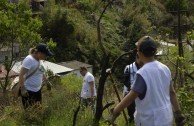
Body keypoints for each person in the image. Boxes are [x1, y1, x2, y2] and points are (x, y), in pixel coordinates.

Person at [109, 36, 185, 126]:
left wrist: (115, 112)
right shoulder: (165, 68)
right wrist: (178, 113)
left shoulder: (143, 73)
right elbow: (172, 92)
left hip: (150, 120)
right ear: (155, 51)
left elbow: (131, 96)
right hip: (166, 118)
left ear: (139, 53)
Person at [19, 43, 53, 109]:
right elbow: (21, 74)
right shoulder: (29, 60)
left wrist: (46, 81)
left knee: (38, 109)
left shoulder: (40, 60)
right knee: (29, 111)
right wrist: (22, 88)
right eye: (45, 54)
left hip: (37, 90)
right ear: (39, 53)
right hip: (28, 91)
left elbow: (41, 72)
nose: (46, 56)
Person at [123, 54, 142, 122]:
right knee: (130, 107)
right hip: (130, 90)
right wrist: (130, 87)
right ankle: (131, 118)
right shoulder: (129, 67)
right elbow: (125, 80)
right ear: (136, 58)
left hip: (141, 91)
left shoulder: (145, 67)